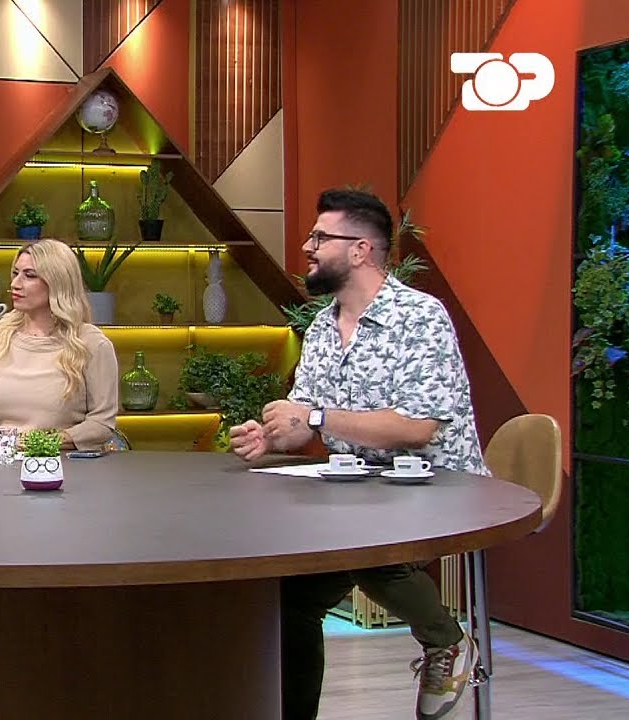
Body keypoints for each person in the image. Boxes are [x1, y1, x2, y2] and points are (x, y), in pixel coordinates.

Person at [228, 189, 486, 720]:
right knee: (291, 598)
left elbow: (416, 427)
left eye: (320, 237)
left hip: (437, 487)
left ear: (361, 249)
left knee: (364, 546)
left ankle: (446, 640)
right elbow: (304, 418)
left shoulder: (420, 317)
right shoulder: (323, 327)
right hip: (357, 492)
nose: (307, 247)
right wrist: (271, 436)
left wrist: (316, 418)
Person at [0, 238, 119, 450]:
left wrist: (43, 444)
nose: (15, 284)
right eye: (15, 273)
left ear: (57, 282)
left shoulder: (92, 344)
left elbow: (101, 423)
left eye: (29, 275)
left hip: (66, 462)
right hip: (4, 461)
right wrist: (9, 443)